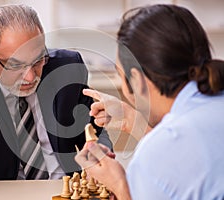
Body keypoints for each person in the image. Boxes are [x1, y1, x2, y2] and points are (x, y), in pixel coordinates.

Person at [0, 4, 112, 186]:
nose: (30, 76)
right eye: (15, 65)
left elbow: (95, 133)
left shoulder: (66, 67)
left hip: (62, 189)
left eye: (38, 60)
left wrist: (100, 156)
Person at [75, 4, 224, 200]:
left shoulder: (154, 155)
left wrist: (120, 186)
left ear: (136, 80)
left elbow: (173, 154)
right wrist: (132, 120)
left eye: (120, 75)